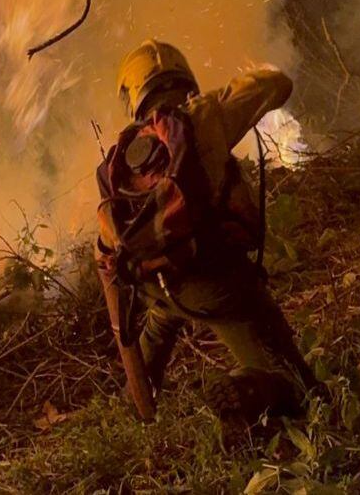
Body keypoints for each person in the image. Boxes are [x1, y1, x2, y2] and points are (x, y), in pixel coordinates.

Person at [95, 39, 324, 444]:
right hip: (214, 284)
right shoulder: (205, 114)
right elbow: (278, 84)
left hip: (159, 286)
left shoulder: (123, 154)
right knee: (301, 388)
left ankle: (137, 401)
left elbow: (109, 245)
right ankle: (245, 390)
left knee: (161, 322)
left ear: (131, 93)